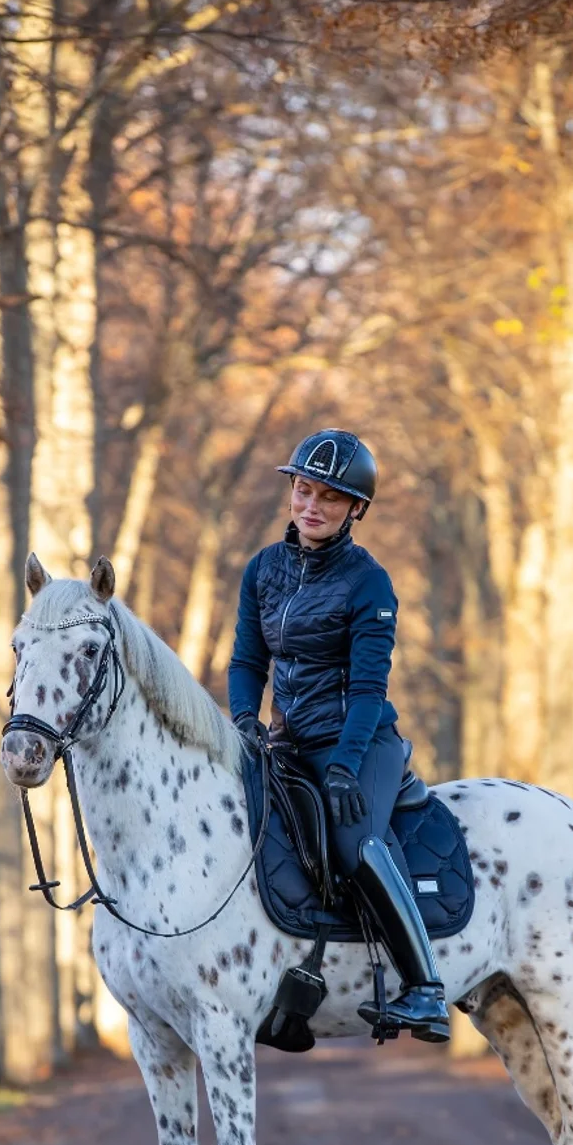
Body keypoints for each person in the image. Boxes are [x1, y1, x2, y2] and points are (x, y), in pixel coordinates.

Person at [228, 429, 450, 1042]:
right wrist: (245, 721)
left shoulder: (369, 582)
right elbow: (248, 662)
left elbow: (368, 688)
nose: (312, 506)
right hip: (286, 742)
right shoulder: (263, 570)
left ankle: (425, 989)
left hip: (359, 743)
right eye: (303, 490)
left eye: (329, 497)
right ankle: (285, 995)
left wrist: (346, 764)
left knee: (353, 844)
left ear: (356, 509)